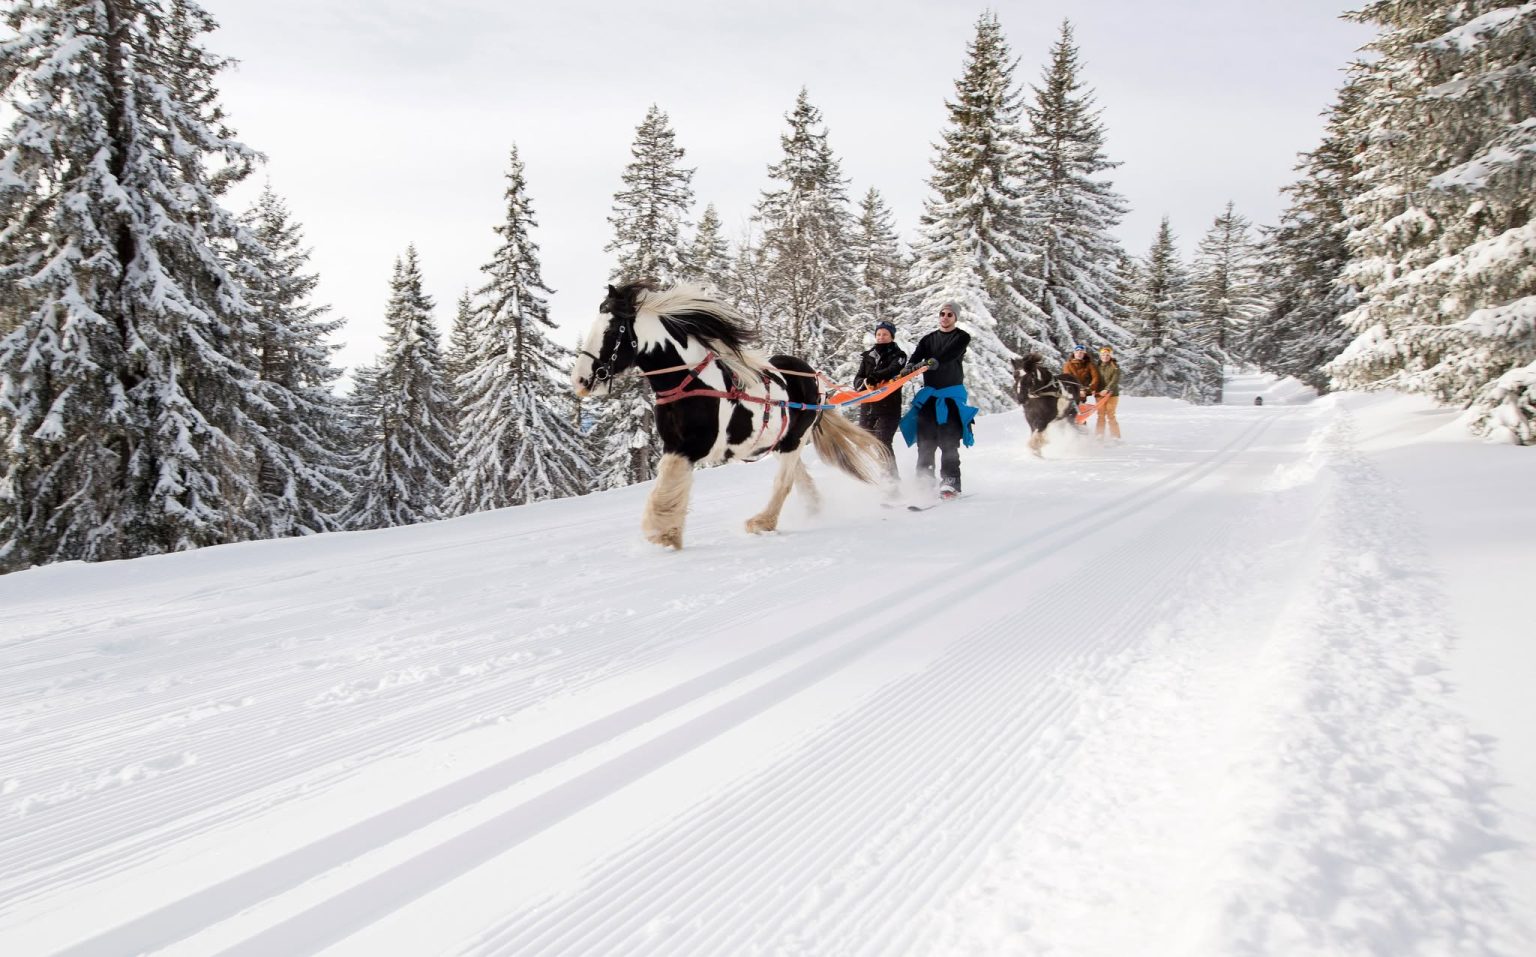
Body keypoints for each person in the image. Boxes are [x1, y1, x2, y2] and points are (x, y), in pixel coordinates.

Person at [898, 302, 978, 499]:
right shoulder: (928, 339)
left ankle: (950, 482)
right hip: (930, 397)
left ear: (955, 318)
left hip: (951, 397)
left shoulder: (961, 337)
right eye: (942, 313)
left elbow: (950, 354)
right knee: (925, 442)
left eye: (950, 314)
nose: (945, 317)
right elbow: (917, 356)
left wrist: (934, 362)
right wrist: (910, 367)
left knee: (949, 441)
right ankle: (924, 482)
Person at [851, 320, 907, 476]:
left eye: (885, 334)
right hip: (867, 406)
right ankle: (864, 478)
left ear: (892, 336)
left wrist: (875, 377)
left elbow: (894, 369)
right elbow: (858, 378)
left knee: (882, 443)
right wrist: (862, 383)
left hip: (888, 407)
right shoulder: (868, 356)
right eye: (879, 334)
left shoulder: (899, 355)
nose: (881, 337)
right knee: (862, 442)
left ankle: (891, 481)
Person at [1094, 344, 1122, 440]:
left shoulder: (1115, 366)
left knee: (1111, 415)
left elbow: (1115, 380)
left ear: (1110, 356)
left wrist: (1107, 389)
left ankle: (1115, 437)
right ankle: (1099, 435)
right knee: (1100, 415)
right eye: (1103, 355)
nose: (1105, 357)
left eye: (1107, 355)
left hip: (1112, 394)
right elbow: (1093, 378)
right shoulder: (1096, 366)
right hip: (1099, 394)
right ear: (1100, 356)